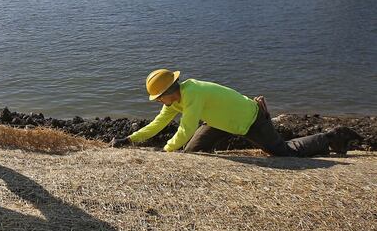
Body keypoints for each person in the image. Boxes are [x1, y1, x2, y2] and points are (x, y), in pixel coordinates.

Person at [111, 69, 361, 156]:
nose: (157, 102)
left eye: (158, 97)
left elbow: (185, 128)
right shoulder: (173, 102)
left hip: (250, 120)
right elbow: (157, 124)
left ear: (169, 90)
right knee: (192, 152)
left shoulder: (192, 94)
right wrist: (129, 140)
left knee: (284, 153)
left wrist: (166, 152)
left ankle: (330, 137)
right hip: (220, 122)